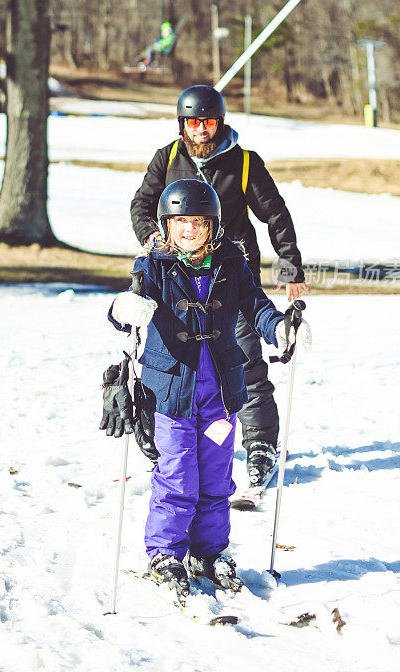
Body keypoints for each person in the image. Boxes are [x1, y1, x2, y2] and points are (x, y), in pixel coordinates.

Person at [107, 179, 310, 598]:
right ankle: (165, 551)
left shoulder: (230, 262)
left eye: (199, 222)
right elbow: (128, 306)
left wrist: (281, 329)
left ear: (213, 225)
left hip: (219, 394)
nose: (190, 230)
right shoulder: (153, 265)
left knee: (216, 477)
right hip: (170, 395)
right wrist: (124, 309)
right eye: (181, 221)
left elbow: (255, 304)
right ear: (166, 223)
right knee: (178, 474)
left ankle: (209, 551)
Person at [131, 84, 309, 489]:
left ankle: (260, 444)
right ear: (182, 124)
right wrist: (150, 239)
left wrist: (290, 270)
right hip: (178, 280)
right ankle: (172, 439)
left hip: (231, 276)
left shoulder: (243, 163)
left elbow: (275, 214)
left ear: (220, 122)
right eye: (192, 122)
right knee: (180, 361)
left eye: (208, 121)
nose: (200, 130)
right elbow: (142, 204)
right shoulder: (168, 158)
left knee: (242, 359)